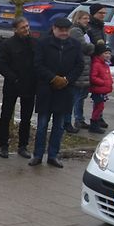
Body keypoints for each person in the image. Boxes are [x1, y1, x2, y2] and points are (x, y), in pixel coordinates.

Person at [31, 16, 84, 167]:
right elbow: (38, 65)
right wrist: (53, 78)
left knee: (59, 126)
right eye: (61, 30)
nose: (64, 33)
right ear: (54, 29)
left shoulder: (75, 45)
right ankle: (38, 155)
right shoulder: (43, 43)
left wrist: (67, 80)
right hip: (46, 89)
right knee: (42, 126)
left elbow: (79, 65)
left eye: (66, 30)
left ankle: (53, 155)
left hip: (65, 91)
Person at [0, 17, 37, 158]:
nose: (26, 29)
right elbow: (0, 65)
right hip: (12, 85)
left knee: (26, 117)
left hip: (29, 85)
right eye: (23, 27)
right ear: (15, 30)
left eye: (27, 26)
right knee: (6, 115)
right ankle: (3, 145)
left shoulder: (34, 43)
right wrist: (14, 78)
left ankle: (23, 146)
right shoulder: (8, 45)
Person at [66, 6, 96, 131]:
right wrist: (93, 46)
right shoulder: (76, 31)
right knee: (75, 97)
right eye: (84, 18)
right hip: (79, 68)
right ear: (78, 19)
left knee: (81, 96)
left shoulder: (84, 31)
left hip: (85, 68)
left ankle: (79, 119)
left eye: (88, 18)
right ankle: (68, 122)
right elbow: (84, 47)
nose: (87, 21)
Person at [89, 40, 113, 131]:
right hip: (98, 90)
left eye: (109, 53)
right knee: (98, 107)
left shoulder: (105, 64)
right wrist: (103, 83)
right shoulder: (97, 64)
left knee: (100, 107)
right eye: (105, 53)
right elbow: (93, 77)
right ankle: (94, 123)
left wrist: (110, 82)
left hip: (103, 90)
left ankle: (96, 121)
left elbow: (107, 76)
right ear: (99, 54)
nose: (108, 55)